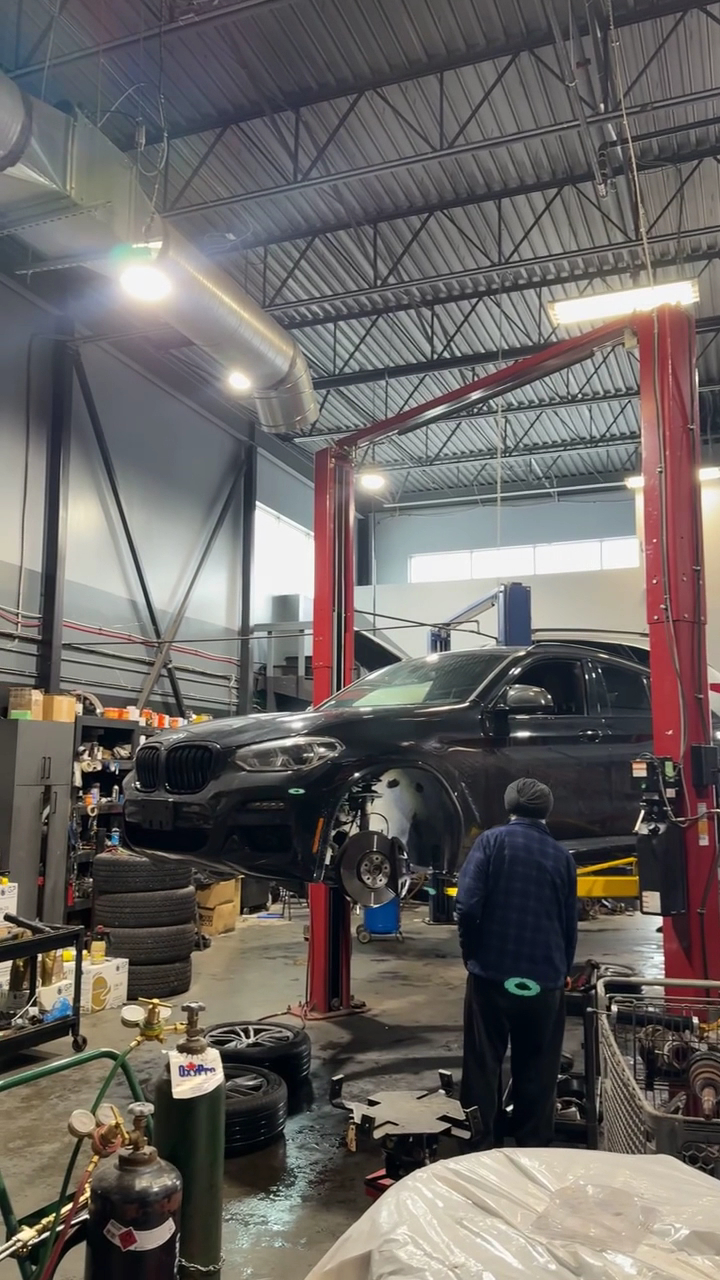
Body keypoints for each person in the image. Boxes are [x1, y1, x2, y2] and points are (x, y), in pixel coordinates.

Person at [455, 777, 577, 1147]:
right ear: (546, 811)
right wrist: (563, 970)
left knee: (482, 1067)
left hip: (493, 976)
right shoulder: (562, 857)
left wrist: (471, 952)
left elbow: (467, 905)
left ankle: (479, 1150)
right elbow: (568, 924)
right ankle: (532, 1153)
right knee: (539, 1073)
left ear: (509, 806)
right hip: (544, 982)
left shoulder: (491, 842)